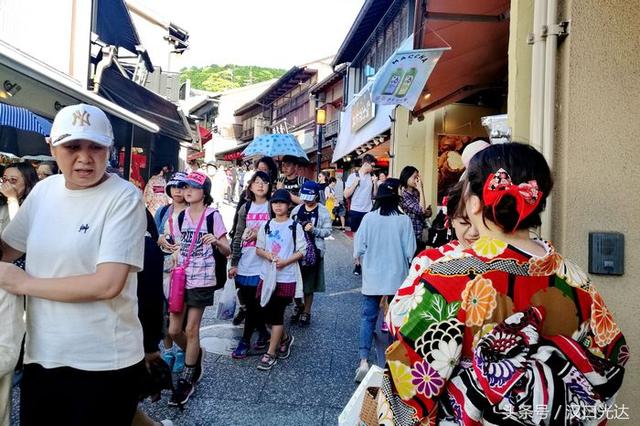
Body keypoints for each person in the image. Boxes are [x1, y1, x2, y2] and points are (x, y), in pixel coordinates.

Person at [379, 143, 629, 424]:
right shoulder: (576, 280)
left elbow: (409, 387)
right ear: (537, 203)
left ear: (473, 202)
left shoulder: (449, 278)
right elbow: (612, 357)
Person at [0, 104, 147, 425]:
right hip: (43, 354)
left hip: (104, 361)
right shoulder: (45, 191)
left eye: (95, 147)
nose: (84, 157)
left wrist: (23, 283)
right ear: (51, 147)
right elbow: (7, 249)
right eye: (72, 147)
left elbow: (107, 283)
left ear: (110, 149)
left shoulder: (123, 197)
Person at [168, 171, 230, 407]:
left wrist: (216, 241)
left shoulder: (213, 216)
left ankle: (188, 375)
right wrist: (171, 249)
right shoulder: (181, 216)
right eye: (185, 187)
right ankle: (196, 354)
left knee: (192, 329)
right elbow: (176, 244)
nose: (187, 191)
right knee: (174, 330)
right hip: (181, 277)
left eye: (192, 187)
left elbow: (227, 250)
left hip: (203, 278)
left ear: (204, 192)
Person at [353, 178, 415, 382]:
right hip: (397, 277)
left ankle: (363, 361)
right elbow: (410, 251)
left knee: (367, 317)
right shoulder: (404, 220)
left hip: (373, 277)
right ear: (396, 198)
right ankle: (392, 363)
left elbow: (359, 248)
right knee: (396, 319)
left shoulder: (369, 219)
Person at [255, 189, 306, 370]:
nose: (278, 206)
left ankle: (271, 353)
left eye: (281, 203)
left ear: (288, 205)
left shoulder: (294, 226)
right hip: (267, 276)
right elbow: (258, 248)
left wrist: (285, 262)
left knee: (276, 314)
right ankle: (285, 338)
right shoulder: (267, 225)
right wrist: (268, 256)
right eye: (275, 202)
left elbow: (302, 250)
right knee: (266, 314)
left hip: (286, 277)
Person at [228, 171, 273, 358]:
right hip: (246, 260)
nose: (260, 185)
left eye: (264, 182)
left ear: (270, 186)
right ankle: (263, 332)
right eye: (257, 182)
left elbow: (279, 232)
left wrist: (259, 235)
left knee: (255, 302)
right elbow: (238, 236)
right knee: (247, 301)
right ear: (251, 186)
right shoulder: (245, 208)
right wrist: (234, 262)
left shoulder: (273, 206)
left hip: (264, 261)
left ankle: (245, 341)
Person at [154, 172, 189, 375]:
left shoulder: (193, 211)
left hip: (183, 268)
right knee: (163, 309)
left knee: (178, 310)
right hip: (163, 265)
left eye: (182, 186)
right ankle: (167, 351)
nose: (178, 190)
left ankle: (180, 349)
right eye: (174, 187)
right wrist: (159, 239)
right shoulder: (162, 211)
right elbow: (154, 233)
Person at [290, 181, 332, 326]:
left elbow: (328, 231)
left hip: (314, 251)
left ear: (316, 196)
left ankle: (306, 312)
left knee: (308, 284)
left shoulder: (322, 211)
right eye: (304, 196)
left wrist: (314, 230)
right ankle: (298, 305)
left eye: (310, 196)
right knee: (294, 281)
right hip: (297, 251)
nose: (307, 199)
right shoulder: (296, 210)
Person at [345, 154, 377, 275]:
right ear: (366, 164)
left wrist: (375, 184)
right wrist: (355, 184)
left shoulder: (372, 177)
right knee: (357, 237)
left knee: (369, 238)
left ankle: (367, 263)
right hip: (356, 210)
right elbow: (346, 194)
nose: (373, 169)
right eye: (372, 166)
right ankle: (357, 264)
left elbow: (374, 195)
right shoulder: (353, 176)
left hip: (368, 210)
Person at [399, 166, 433, 254]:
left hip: (420, 234)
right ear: (406, 177)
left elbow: (422, 212)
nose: (417, 180)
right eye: (414, 177)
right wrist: (421, 189)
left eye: (418, 177)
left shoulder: (415, 193)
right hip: (410, 235)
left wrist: (427, 212)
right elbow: (420, 210)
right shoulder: (404, 196)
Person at [0, 163, 39, 235]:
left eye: (13, 180)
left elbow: (18, 230)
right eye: (5, 179)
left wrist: (12, 198)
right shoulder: (2, 202)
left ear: (27, 182)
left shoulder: (34, 207)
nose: (7, 184)